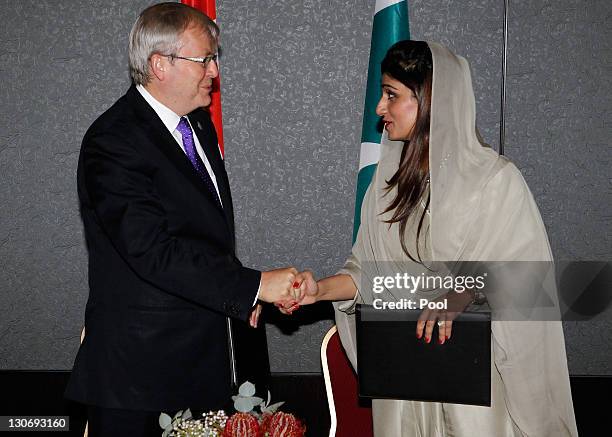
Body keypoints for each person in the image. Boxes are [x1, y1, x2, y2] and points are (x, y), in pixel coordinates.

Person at [288, 41, 578, 436]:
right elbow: (367, 273)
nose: (379, 108)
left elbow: (526, 281)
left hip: (473, 391)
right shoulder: (387, 185)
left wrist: (464, 292)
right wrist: (317, 291)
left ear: (429, 100)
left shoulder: (494, 180)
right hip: (405, 383)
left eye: (392, 95)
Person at [65, 3, 299, 436]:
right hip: (142, 380)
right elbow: (152, 251)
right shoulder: (113, 141)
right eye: (205, 58)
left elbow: (202, 241)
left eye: (214, 58)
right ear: (160, 65)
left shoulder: (198, 125)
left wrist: (241, 298)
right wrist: (253, 285)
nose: (214, 71)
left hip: (207, 367)